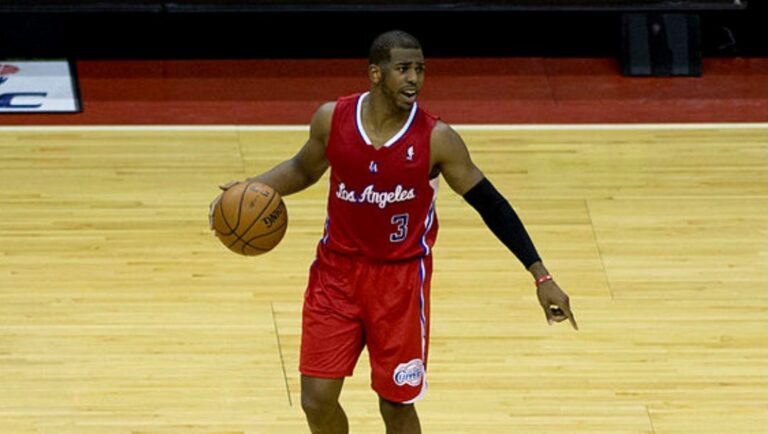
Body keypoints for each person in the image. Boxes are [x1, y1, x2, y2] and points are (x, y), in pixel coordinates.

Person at [210, 30, 577, 434]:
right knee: (316, 401)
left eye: (420, 69)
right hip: (336, 274)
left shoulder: (437, 139)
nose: (414, 79)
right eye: (403, 69)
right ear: (375, 73)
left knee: (396, 407)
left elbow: (491, 204)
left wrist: (541, 275)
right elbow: (303, 168)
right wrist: (249, 189)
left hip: (400, 284)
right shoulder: (333, 118)